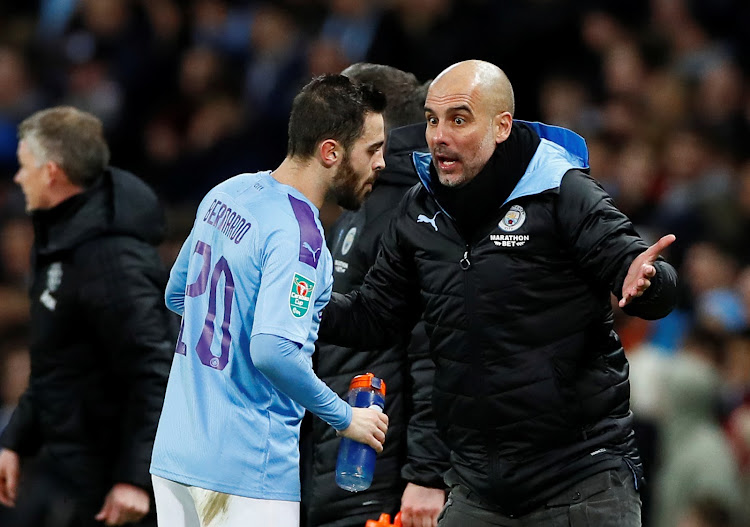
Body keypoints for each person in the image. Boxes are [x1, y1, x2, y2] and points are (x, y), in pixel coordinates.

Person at [318, 60, 679, 526]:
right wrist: (300, 305)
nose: (439, 136)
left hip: (579, 479)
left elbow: (641, 271)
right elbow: (374, 317)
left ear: (502, 126)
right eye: (431, 120)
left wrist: (650, 284)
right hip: (476, 489)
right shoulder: (419, 209)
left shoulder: (561, 190)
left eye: (459, 119)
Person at [149, 74, 389, 527]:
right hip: (245, 471)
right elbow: (272, 350)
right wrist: (346, 419)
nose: (381, 162)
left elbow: (177, 293)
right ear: (331, 151)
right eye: (372, 149)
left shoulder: (228, 192)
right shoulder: (300, 234)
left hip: (176, 459)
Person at [0, 106, 176, 526]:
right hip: (78, 475)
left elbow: (156, 370)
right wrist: (15, 441)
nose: (18, 178)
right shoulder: (63, 241)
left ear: (52, 173)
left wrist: (134, 479)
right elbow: (55, 361)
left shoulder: (111, 257)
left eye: (24, 167)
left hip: (122, 489)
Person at [302, 63, 449, 527]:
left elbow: (436, 355)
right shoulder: (360, 200)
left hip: (380, 483)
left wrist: (426, 475)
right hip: (338, 472)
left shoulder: (421, 214)